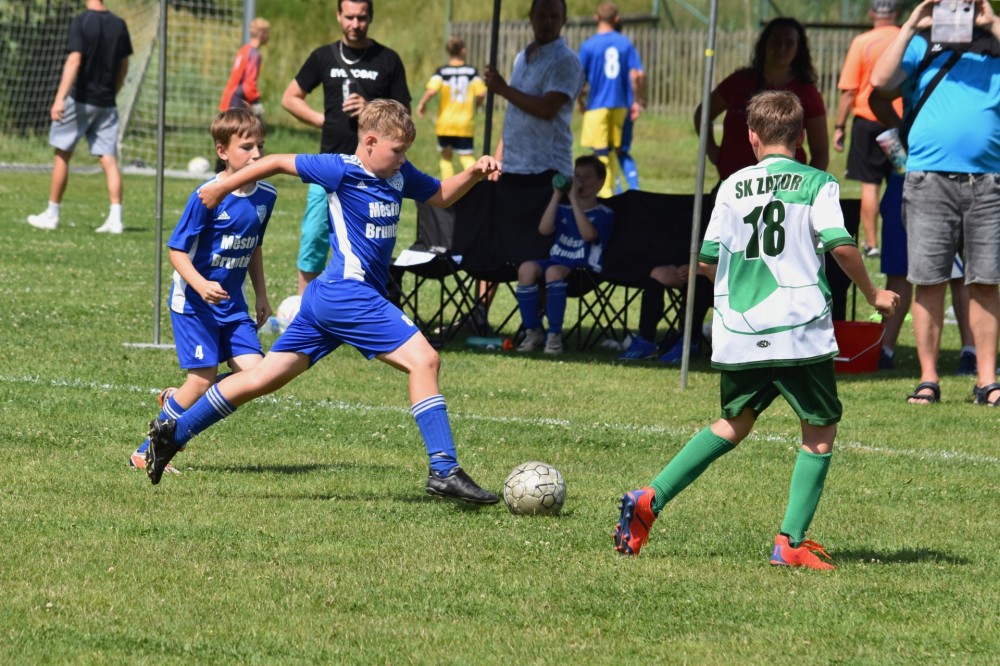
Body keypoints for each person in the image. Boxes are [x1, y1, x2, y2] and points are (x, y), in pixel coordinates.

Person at [144, 100, 502, 505]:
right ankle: (444, 469)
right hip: (349, 294)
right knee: (425, 361)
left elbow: (440, 195)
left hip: (326, 300)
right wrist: (222, 187)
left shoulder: (399, 174)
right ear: (370, 142)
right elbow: (276, 162)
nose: (403, 159)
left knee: (262, 378)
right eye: (397, 150)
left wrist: (473, 173)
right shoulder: (341, 170)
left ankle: (173, 433)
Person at [612, 91, 899, 568]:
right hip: (798, 329)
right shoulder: (818, 183)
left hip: (740, 331)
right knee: (819, 429)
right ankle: (790, 542)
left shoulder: (731, 186)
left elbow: (707, 261)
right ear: (801, 137)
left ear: (750, 137)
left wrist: (740, 291)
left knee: (734, 422)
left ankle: (650, 498)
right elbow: (841, 244)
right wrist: (872, 293)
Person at [621, 17, 830, 365]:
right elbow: (702, 114)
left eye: (789, 42)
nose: (781, 47)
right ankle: (691, 336)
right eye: (775, 40)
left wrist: (808, 191)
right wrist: (714, 152)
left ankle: (766, 334)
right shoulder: (741, 81)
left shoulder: (806, 92)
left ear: (799, 49)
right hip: (733, 192)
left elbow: (821, 151)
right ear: (764, 44)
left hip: (782, 197)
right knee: (713, 260)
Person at [129, 108, 276, 474]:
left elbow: (254, 245)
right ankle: (145, 452)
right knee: (202, 379)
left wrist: (261, 294)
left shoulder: (267, 195)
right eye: (247, 147)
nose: (257, 154)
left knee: (259, 375)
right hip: (194, 303)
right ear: (222, 151)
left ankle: (178, 401)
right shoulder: (207, 195)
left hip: (233, 305)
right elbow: (176, 251)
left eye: (260, 146)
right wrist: (201, 284)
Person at [870, 0, 1000, 406]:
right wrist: (911, 24)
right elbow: (880, 80)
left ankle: (987, 381)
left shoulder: (995, 40)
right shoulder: (920, 40)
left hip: (989, 181)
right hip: (928, 180)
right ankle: (928, 379)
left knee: (986, 282)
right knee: (928, 282)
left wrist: (993, 22)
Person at [281, 0, 410, 296]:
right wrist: (323, 120)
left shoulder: (387, 59)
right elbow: (290, 98)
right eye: (349, 17)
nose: (355, 24)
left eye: (361, 18)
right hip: (328, 165)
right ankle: (306, 304)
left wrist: (371, 109)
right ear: (339, 16)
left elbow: (405, 115)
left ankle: (364, 301)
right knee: (313, 238)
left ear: (371, 17)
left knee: (369, 242)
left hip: (372, 171)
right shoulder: (323, 56)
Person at [481, 0, 584, 329]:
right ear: (531, 17)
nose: (548, 22)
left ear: (564, 20)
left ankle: (536, 327)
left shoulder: (566, 61)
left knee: (539, 251)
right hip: (514, 167)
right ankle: (479, 314)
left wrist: (502, 89)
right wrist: (499, 156)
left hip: (546, 170)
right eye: (542, 15)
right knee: (499, 244)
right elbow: (514, 116)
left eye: (554, 16)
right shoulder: (522, 57)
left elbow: (546, 108)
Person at [26, 0, 132, 235]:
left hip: (80, 100)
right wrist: (114, 91)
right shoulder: (119, 24)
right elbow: (124, 65)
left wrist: (59, 98)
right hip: (107, 102)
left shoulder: (81, 21)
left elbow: (74, 60)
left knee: (62, 153)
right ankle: (116, 219)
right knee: (108, 158)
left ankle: (52, 214)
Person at [515, 155, 614, 354]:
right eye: (577, 176)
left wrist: (574, 200)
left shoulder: (604, 213)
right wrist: (557, 195)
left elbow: (588, 235)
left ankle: (554, 336)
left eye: (587, 177)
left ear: (600, 182)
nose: (580, 181)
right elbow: (544, 229)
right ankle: (533, 331)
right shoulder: (562, 208)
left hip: (584, 269)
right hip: (557, 261)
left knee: (553, 272)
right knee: (526, 269)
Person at [832, 0, 902, 258]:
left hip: (868, 124)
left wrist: (839, 126)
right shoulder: (907, 39)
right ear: (897, 12)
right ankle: (901, 236)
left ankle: (872, 245)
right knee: (901, 181)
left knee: (870, 185)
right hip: (897, 124)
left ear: (872, 12)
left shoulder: (862, 42)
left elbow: (849, 91)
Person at [577, 1, 646, 197]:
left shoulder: (589, 45)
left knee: (600, 152)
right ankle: (623, 191)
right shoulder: (625, 44)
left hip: (597, 105)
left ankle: (606, 194)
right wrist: (637, 100)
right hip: (620, 105)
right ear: (616, 19)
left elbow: (580, 79)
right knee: (617, 150)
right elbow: (637, 75)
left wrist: (580, 100)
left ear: (596, 18)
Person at [416, 36, 487, 180]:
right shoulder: (471, 72)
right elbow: (481, 93)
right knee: (466, 156)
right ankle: (476, 184)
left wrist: (422, 103)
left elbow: (431, 91)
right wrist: (478, 104)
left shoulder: (442, 72)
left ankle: (448, 187)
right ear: (463, 50)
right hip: (465, 122)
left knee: (446, 158)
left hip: (445, 123)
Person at [218, 17, 270, 116]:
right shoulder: (254, 55)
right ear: (261, 34)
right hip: (237, 101)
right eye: (267, 33)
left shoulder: (244, 50)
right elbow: (248, 85)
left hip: (228, 97)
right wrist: (256, 101)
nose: (268, 36)